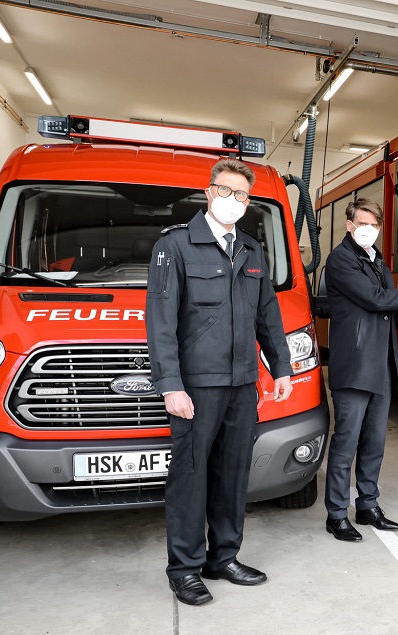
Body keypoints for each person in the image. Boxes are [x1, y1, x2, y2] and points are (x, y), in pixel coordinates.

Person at [146, 158, 292, 606]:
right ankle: (185, 569)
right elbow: (161, 323)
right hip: (196, 386)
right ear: (209, 193)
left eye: (242, 195)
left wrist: (282, 367)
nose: (234, 201)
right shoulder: (176, 246)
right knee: (190, 477)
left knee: (232, 475)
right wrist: (171, 385)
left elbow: (267, 313)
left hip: (241, 382)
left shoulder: (250, 249)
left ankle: (223, 557)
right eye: (225, 191)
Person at [323, 199, 398, 542]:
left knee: (375, 442)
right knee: (346, 442)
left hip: (380, 365)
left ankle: (367, 505)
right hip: (355, 365)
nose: (369, 229)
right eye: (363, 222)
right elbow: (376, 299)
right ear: (349, 224)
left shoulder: (377, 261)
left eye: (375, 225)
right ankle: (336, 514)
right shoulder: (341, 260)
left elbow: (388, 311)